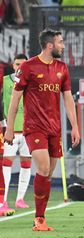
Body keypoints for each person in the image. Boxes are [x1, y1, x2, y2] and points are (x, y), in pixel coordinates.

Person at [4, 28, 80, 231]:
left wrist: (75, 126)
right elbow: (15, 98)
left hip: (54, 129)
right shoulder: (28, 67)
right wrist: (10, 128)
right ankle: (38, 219)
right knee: (44, 168)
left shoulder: (62, 67)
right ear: (49, 45)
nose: (63, 46)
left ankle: (41, 217)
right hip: (34, 127)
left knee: (47, 174)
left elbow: (67, 98)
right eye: (60, 42)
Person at [1, 54, 32, 210]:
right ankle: (3, 199)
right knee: (6, 164)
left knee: (26, 165)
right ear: (13, 66)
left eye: (23, 64)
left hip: (29, 131)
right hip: (10, 131)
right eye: (17, 64)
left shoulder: (32, 82)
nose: (20, 67)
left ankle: (20, 198)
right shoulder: (5, 81)